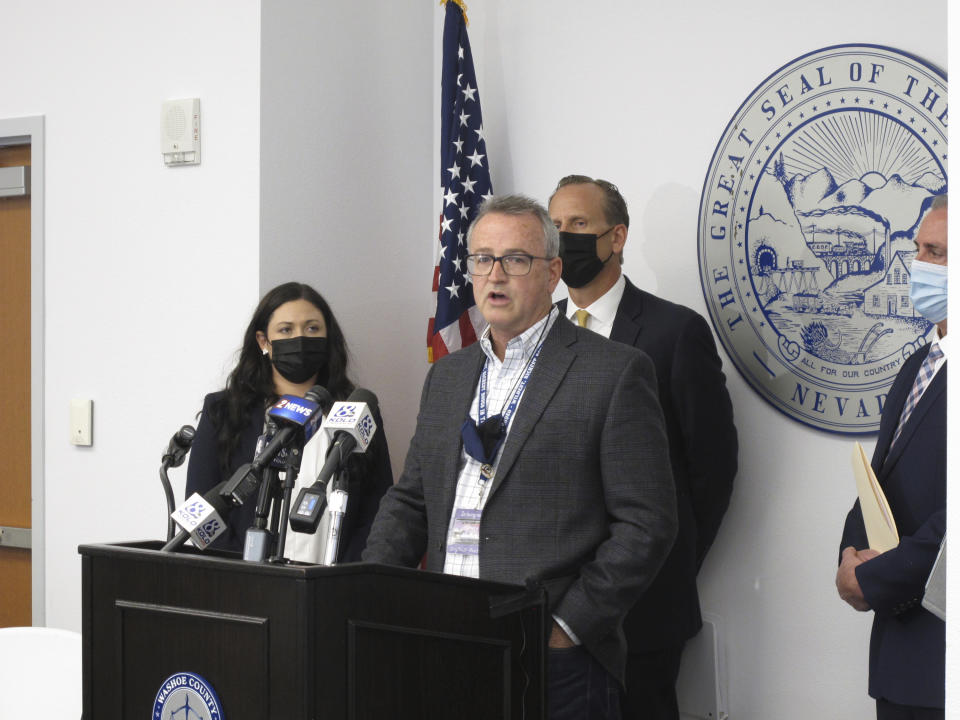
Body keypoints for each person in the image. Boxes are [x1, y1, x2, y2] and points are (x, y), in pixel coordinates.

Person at [362, 194, 677, 720]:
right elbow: (411, 500)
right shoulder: (448, 375)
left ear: (552, 272)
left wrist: (568, 626)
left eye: (516, 259)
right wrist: (367, 591)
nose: (495, 275)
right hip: (445, 638)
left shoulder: (615, 371)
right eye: (482, 259)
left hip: (551, 654)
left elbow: (647, 522)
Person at [548, 175, 738, 720]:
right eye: (556, 226)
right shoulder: (539, 335)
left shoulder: (674, 332)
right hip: (555, 604)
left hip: (646, 608)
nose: (565, 238)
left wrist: (667, 563)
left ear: (618, 236)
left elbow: (712, 468)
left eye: (579, 224)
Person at [185, 281, 393, 562]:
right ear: (263, 341)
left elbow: (378, 510)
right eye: (286, 330)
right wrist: (242, 574)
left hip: (333, 588)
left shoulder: (357, 413)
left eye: (312, 328)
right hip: (242, 586)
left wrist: (345, 576)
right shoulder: (222, 412)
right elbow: (200, 509)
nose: (301, 338)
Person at [837, 194, 947, 720]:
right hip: (901, 660)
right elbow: (879, 483)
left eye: (937, 253)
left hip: (945, 660)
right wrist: (850, 557)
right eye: (919, 250)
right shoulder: (917, 365)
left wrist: (875, 579)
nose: (920, 266)